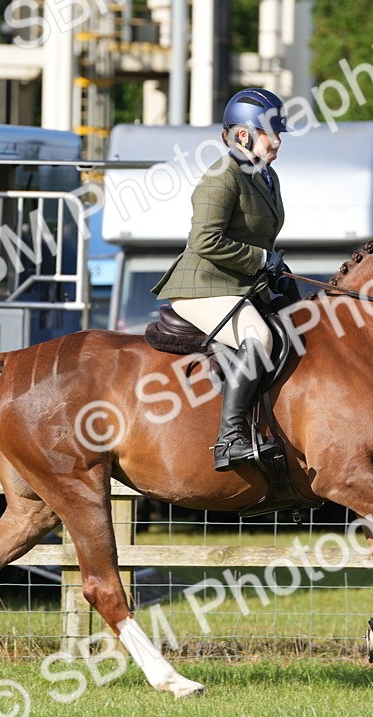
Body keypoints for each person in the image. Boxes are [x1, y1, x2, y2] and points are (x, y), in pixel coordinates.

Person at [151, 88, 295, 472]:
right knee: (259, 337)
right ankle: (229, 439)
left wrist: (277, 276)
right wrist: (262, 260)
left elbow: (259, 237)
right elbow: (205, 241)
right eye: (272, 133)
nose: (279, 141)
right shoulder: (222, 176)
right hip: (203, 286)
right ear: (244, 135)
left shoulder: (267, 176)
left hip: (240, 285)